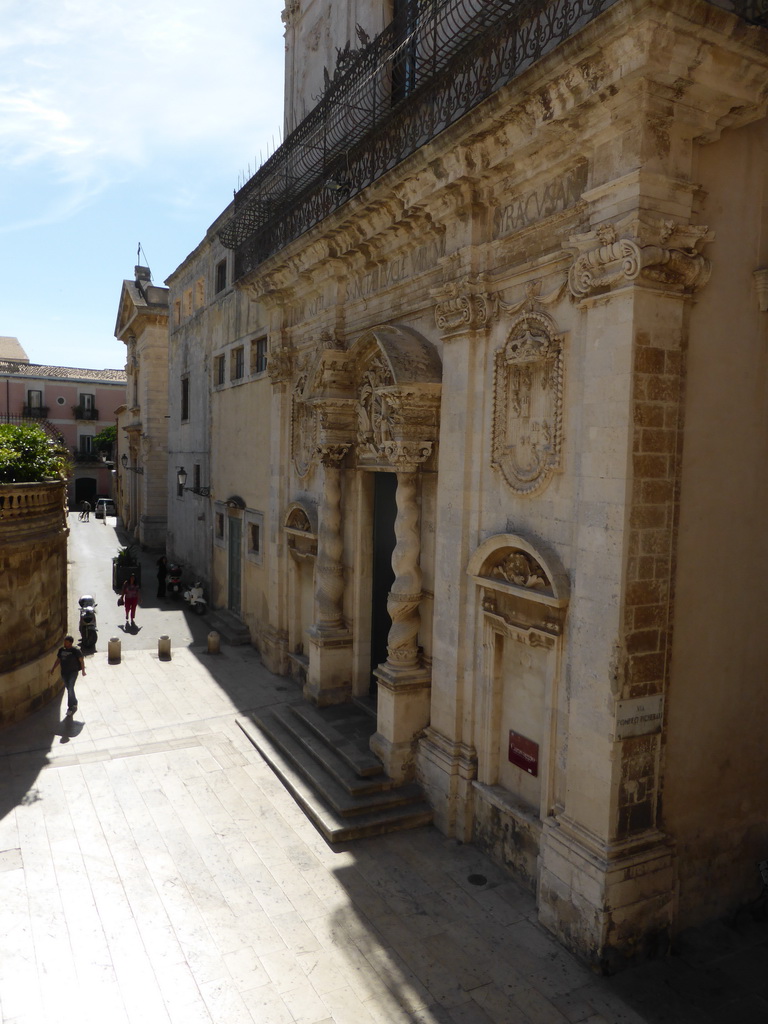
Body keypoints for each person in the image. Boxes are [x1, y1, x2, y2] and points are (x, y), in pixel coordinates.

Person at [50, 635, 86, 717]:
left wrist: (83, 671)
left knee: (70, 688)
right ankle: (74, 701)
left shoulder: (75, 651)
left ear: (70, 643)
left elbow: (81, 661)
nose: (64, 643)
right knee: (69, 689)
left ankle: (70, 708)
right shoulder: (61, 650)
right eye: (64, 642)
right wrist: (53, 668)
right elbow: (58, 660)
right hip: (64, 673)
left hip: (73, 672)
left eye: (66, 642)